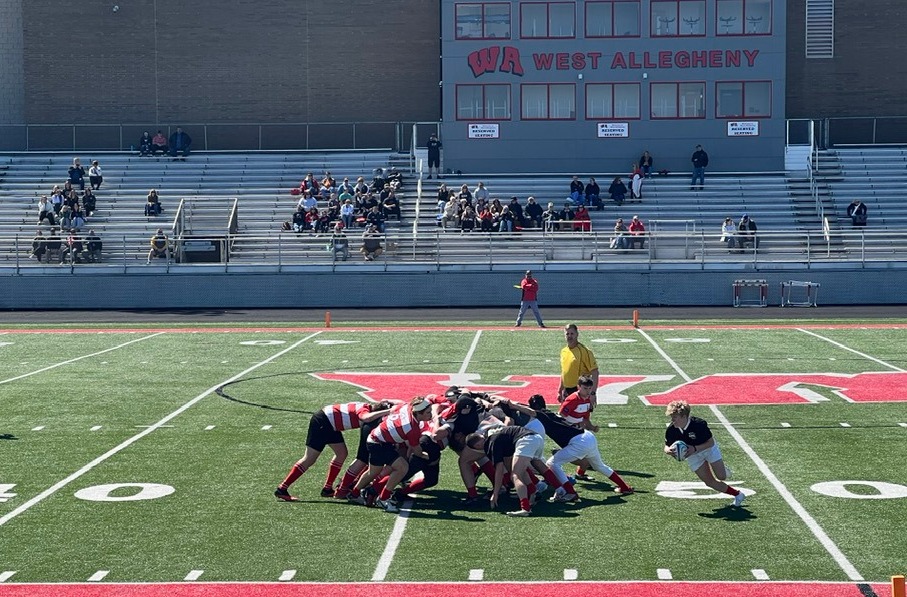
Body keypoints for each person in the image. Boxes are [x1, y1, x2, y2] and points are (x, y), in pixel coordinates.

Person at [502, 395, 634, 499]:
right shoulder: (549, 413)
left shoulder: (541, 415)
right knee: (600, 466)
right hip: (587, 436)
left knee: (552, 463)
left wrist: (513, 405)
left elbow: (531, 412)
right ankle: (624, 487)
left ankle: (570, 492)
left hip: (578, 442)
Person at [274, 400, 393, 502]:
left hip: (329, 423)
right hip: (323, 421)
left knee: (341, 454)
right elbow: (366, 418)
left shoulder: (368, 406)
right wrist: (387, 412)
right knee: (309, 458)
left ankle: (327, 488)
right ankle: (282, 488)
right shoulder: (365, 411)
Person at [352, 396, 435, 513]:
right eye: (428, 412)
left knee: (373, 472)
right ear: (419, 413)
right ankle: (384, 498)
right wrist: (423, 455)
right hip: (379, 443)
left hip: (376, 439)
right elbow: (416, 449)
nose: (430, 414)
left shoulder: (408, 408)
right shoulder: (412, 428)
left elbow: (399, 406)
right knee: (402, 468)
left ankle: (355, 494)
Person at [664, 400, 745, 507]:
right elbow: (666, 445)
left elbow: (710, 443)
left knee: (722, 477)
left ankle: (722, 468)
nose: (672, 420)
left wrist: (694, 448)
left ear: (684, 416)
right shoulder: (671, 429)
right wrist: (668, 451)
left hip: (707, 449)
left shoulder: (699, 424)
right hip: (692, 454)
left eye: (675, 417)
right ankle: (738, 495)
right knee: (709, 482)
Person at [558, 323, 599, 404]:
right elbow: (564, 372)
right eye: (567, 334)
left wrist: (592, 393)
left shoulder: (584, 351)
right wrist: (560, 390)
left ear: (577, 334)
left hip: (580, 391)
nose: (569, 336)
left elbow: (595, 372)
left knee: (581, 416)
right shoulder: (564, 351)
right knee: (565, 416)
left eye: (572, 333)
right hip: (567, 390)